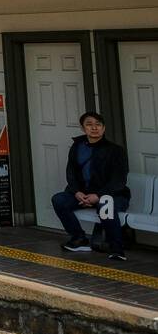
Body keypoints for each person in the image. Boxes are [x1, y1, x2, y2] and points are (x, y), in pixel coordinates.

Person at [52, 111, 130, 261]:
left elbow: (119, 180)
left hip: (113, 194)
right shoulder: (77, 147)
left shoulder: (115, 150)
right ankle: (79, 238)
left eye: (98, 125)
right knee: (59, 200)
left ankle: (117, 249)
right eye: (89, 125)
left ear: (104, 128)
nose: (94, 128)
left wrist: (98, 195)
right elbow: (71, 173)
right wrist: (76, 192)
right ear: (83, 128)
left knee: (105, 204)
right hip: (84, 194)